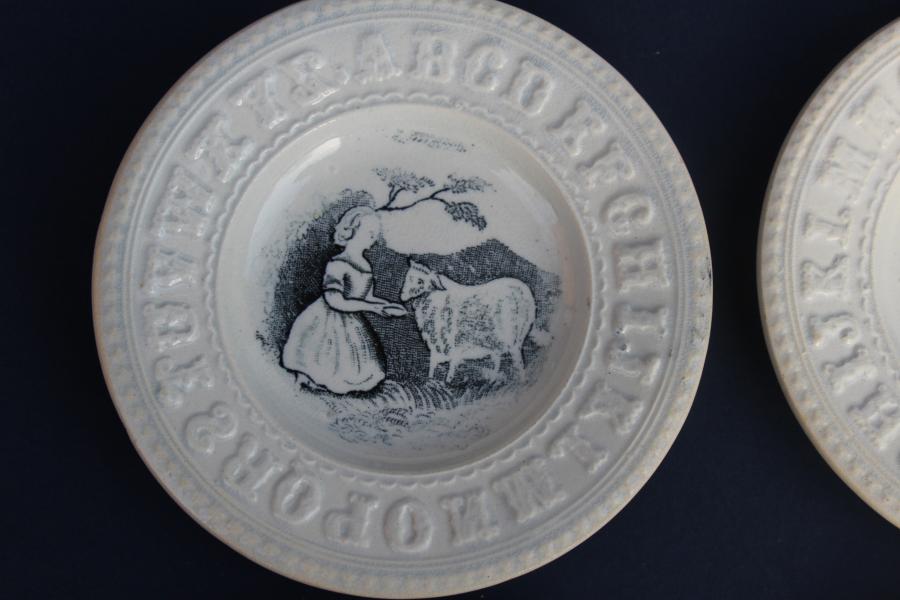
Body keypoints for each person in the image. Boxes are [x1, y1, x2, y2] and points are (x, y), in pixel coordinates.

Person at [281, 206, 407, 394]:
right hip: (327, 319)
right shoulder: (338, 264)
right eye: (369, 231)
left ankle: (321, 386)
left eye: (375, 232)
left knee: (356, 365)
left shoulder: (365, 264)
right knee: (324, 355)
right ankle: (308, 382)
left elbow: (367, 297)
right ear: (351, 231)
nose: (373, 236)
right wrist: (373, 308)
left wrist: (385, 306)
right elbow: (334, 300)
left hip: (352, 317)